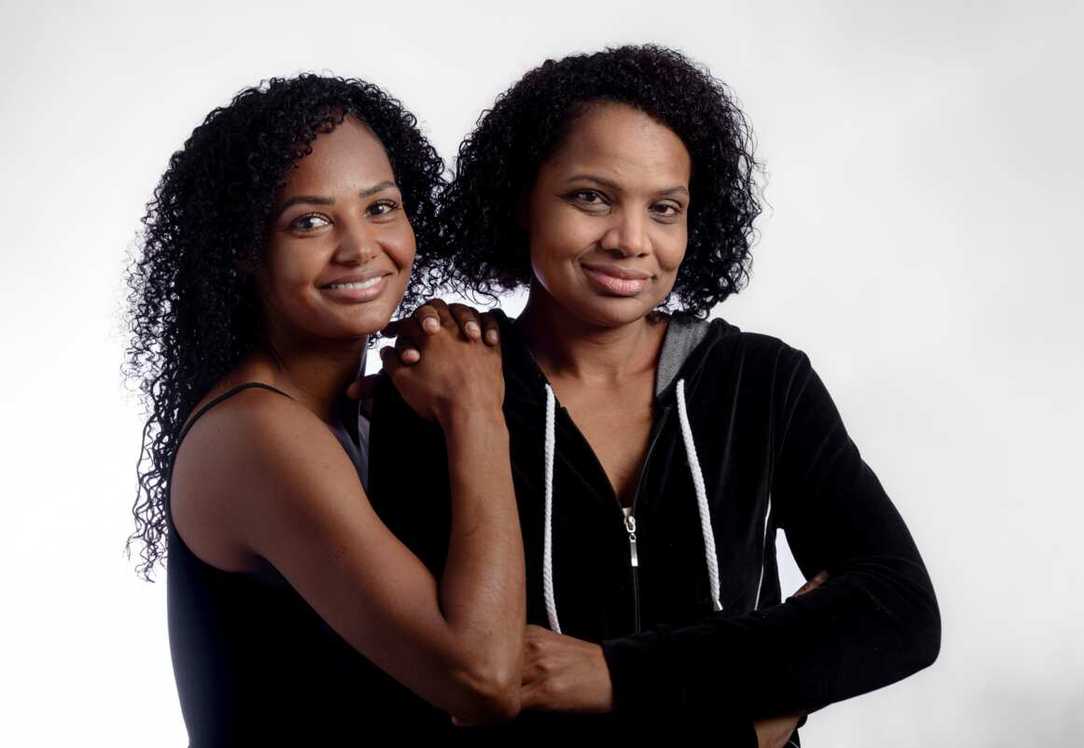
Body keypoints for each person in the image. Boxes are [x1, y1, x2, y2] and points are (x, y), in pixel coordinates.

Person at [369, 45, 941, 744]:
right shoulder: (444, 389)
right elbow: (444, 697)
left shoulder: (760, 383)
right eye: (592, 198)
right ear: (522, 199)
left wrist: (612, 675)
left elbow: (901, 613)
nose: (632, 241)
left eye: (664, 208)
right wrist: (764, 703)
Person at [125, 74, 524, 744]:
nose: (361, 248)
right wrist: (478, 412)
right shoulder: (257, 433)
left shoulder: (340, 408)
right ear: (243, 253)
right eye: (309, 221)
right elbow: (480, 679)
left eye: (381, 208)